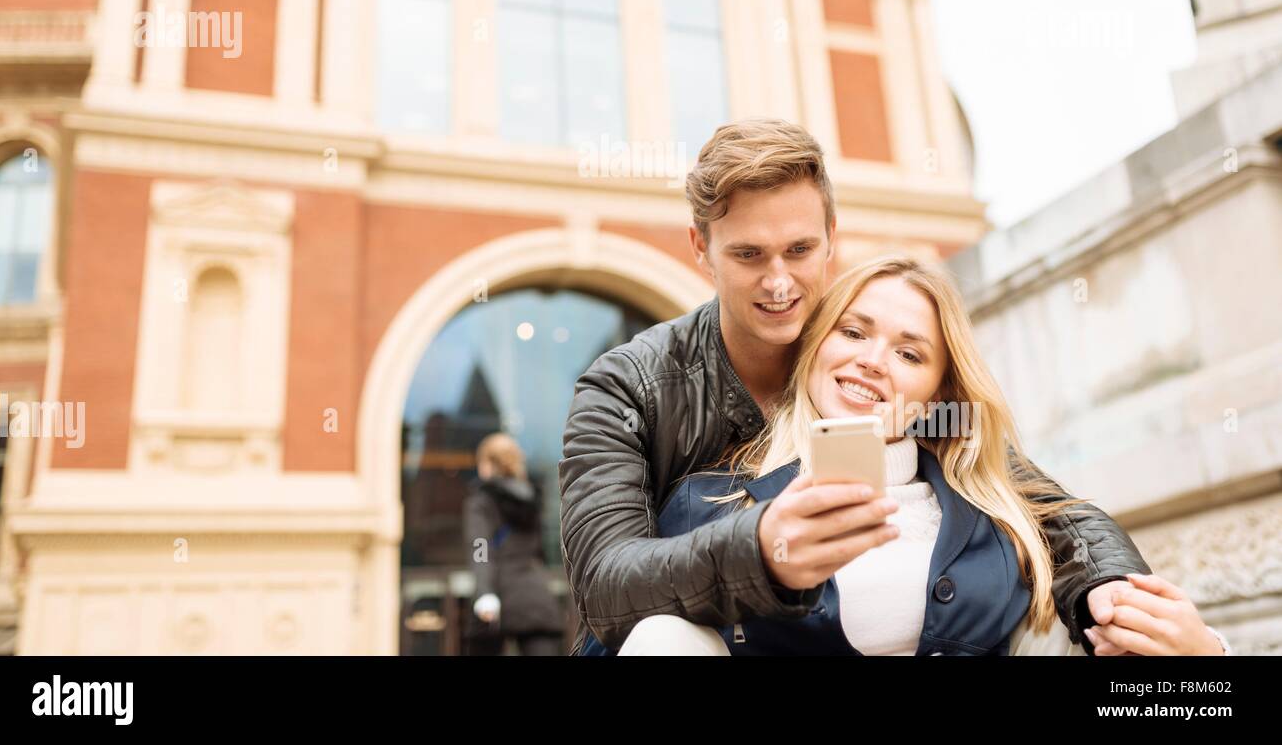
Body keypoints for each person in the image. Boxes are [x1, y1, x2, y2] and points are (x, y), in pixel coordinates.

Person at [559, 118, 1156, 657]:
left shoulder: (855, 358)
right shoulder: (629, 388)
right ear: (701, 248)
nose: (779, 283)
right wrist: (762, 549)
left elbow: (1035, 503)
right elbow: (608, 586)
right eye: (748, 254)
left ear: (831, 238)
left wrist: (1112, 594)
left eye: (800, 250)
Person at [598, 255, 1231, 655]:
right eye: (853, 332)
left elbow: (1081, 550)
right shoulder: (708, 501)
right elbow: (620, 617)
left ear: (937, 393)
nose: (872, 360)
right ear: (815, 347)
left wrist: (1203, 658)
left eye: (909, 353)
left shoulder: (996, 516)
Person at [462, 433, 566, 656]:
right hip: (537, 599)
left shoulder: (481, 502)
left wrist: (484, 593)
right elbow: (538, 551)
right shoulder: (533, 500)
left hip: (496, 597)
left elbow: (480, 548)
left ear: (487, 464)